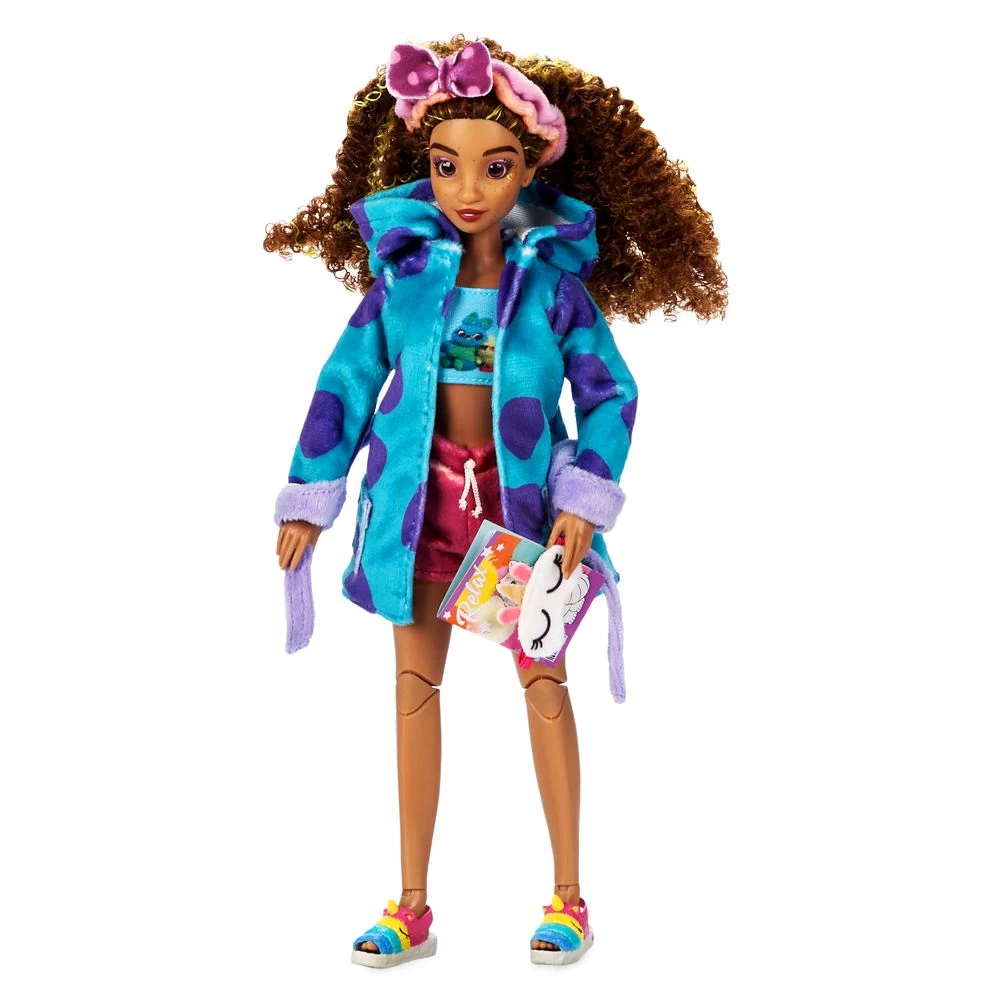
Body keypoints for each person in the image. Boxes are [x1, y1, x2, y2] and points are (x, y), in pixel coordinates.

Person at [265, 36, 726, 968]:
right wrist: (311, 494)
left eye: (495, 166)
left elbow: (610, 393)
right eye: (446, 166)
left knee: (542, 686)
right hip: (417, 512)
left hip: (521, 523)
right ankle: (412, 906)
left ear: (531, 168)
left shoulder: (554, 291)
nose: (468, 188)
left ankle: (569, 896)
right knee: (413, 692)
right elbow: (344, 383)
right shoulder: (402, 282)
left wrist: (583, 497)